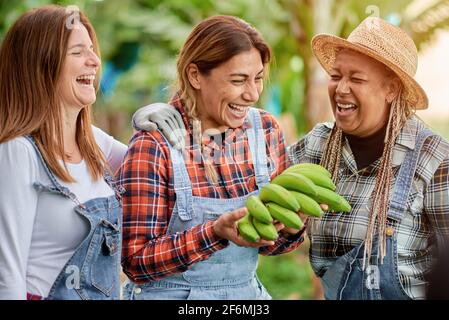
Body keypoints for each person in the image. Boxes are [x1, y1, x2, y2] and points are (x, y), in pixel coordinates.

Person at [136, 17, 449, 300]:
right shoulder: (317, 146)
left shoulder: (433, 160)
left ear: (391, 89)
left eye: (356, 79)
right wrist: (172, 112)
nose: (341, 89)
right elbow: (248, 193)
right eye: (336, 75)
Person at [116, 15, 308, 300]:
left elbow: (270, 246)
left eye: (257, 79)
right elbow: (135, 261)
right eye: (238, 80)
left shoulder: (265, 131)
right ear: (195, 76)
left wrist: (291, 229)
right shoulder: (154, 145)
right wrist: (214, 233)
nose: (252, 93)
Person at [0, 5, 128, 300]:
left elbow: (157, 167)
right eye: (78, 52)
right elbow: (7, 275)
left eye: (93, 50)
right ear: (41, 63)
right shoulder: (18, 152)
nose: (95, 61)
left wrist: (157, 116)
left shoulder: (93, 143)